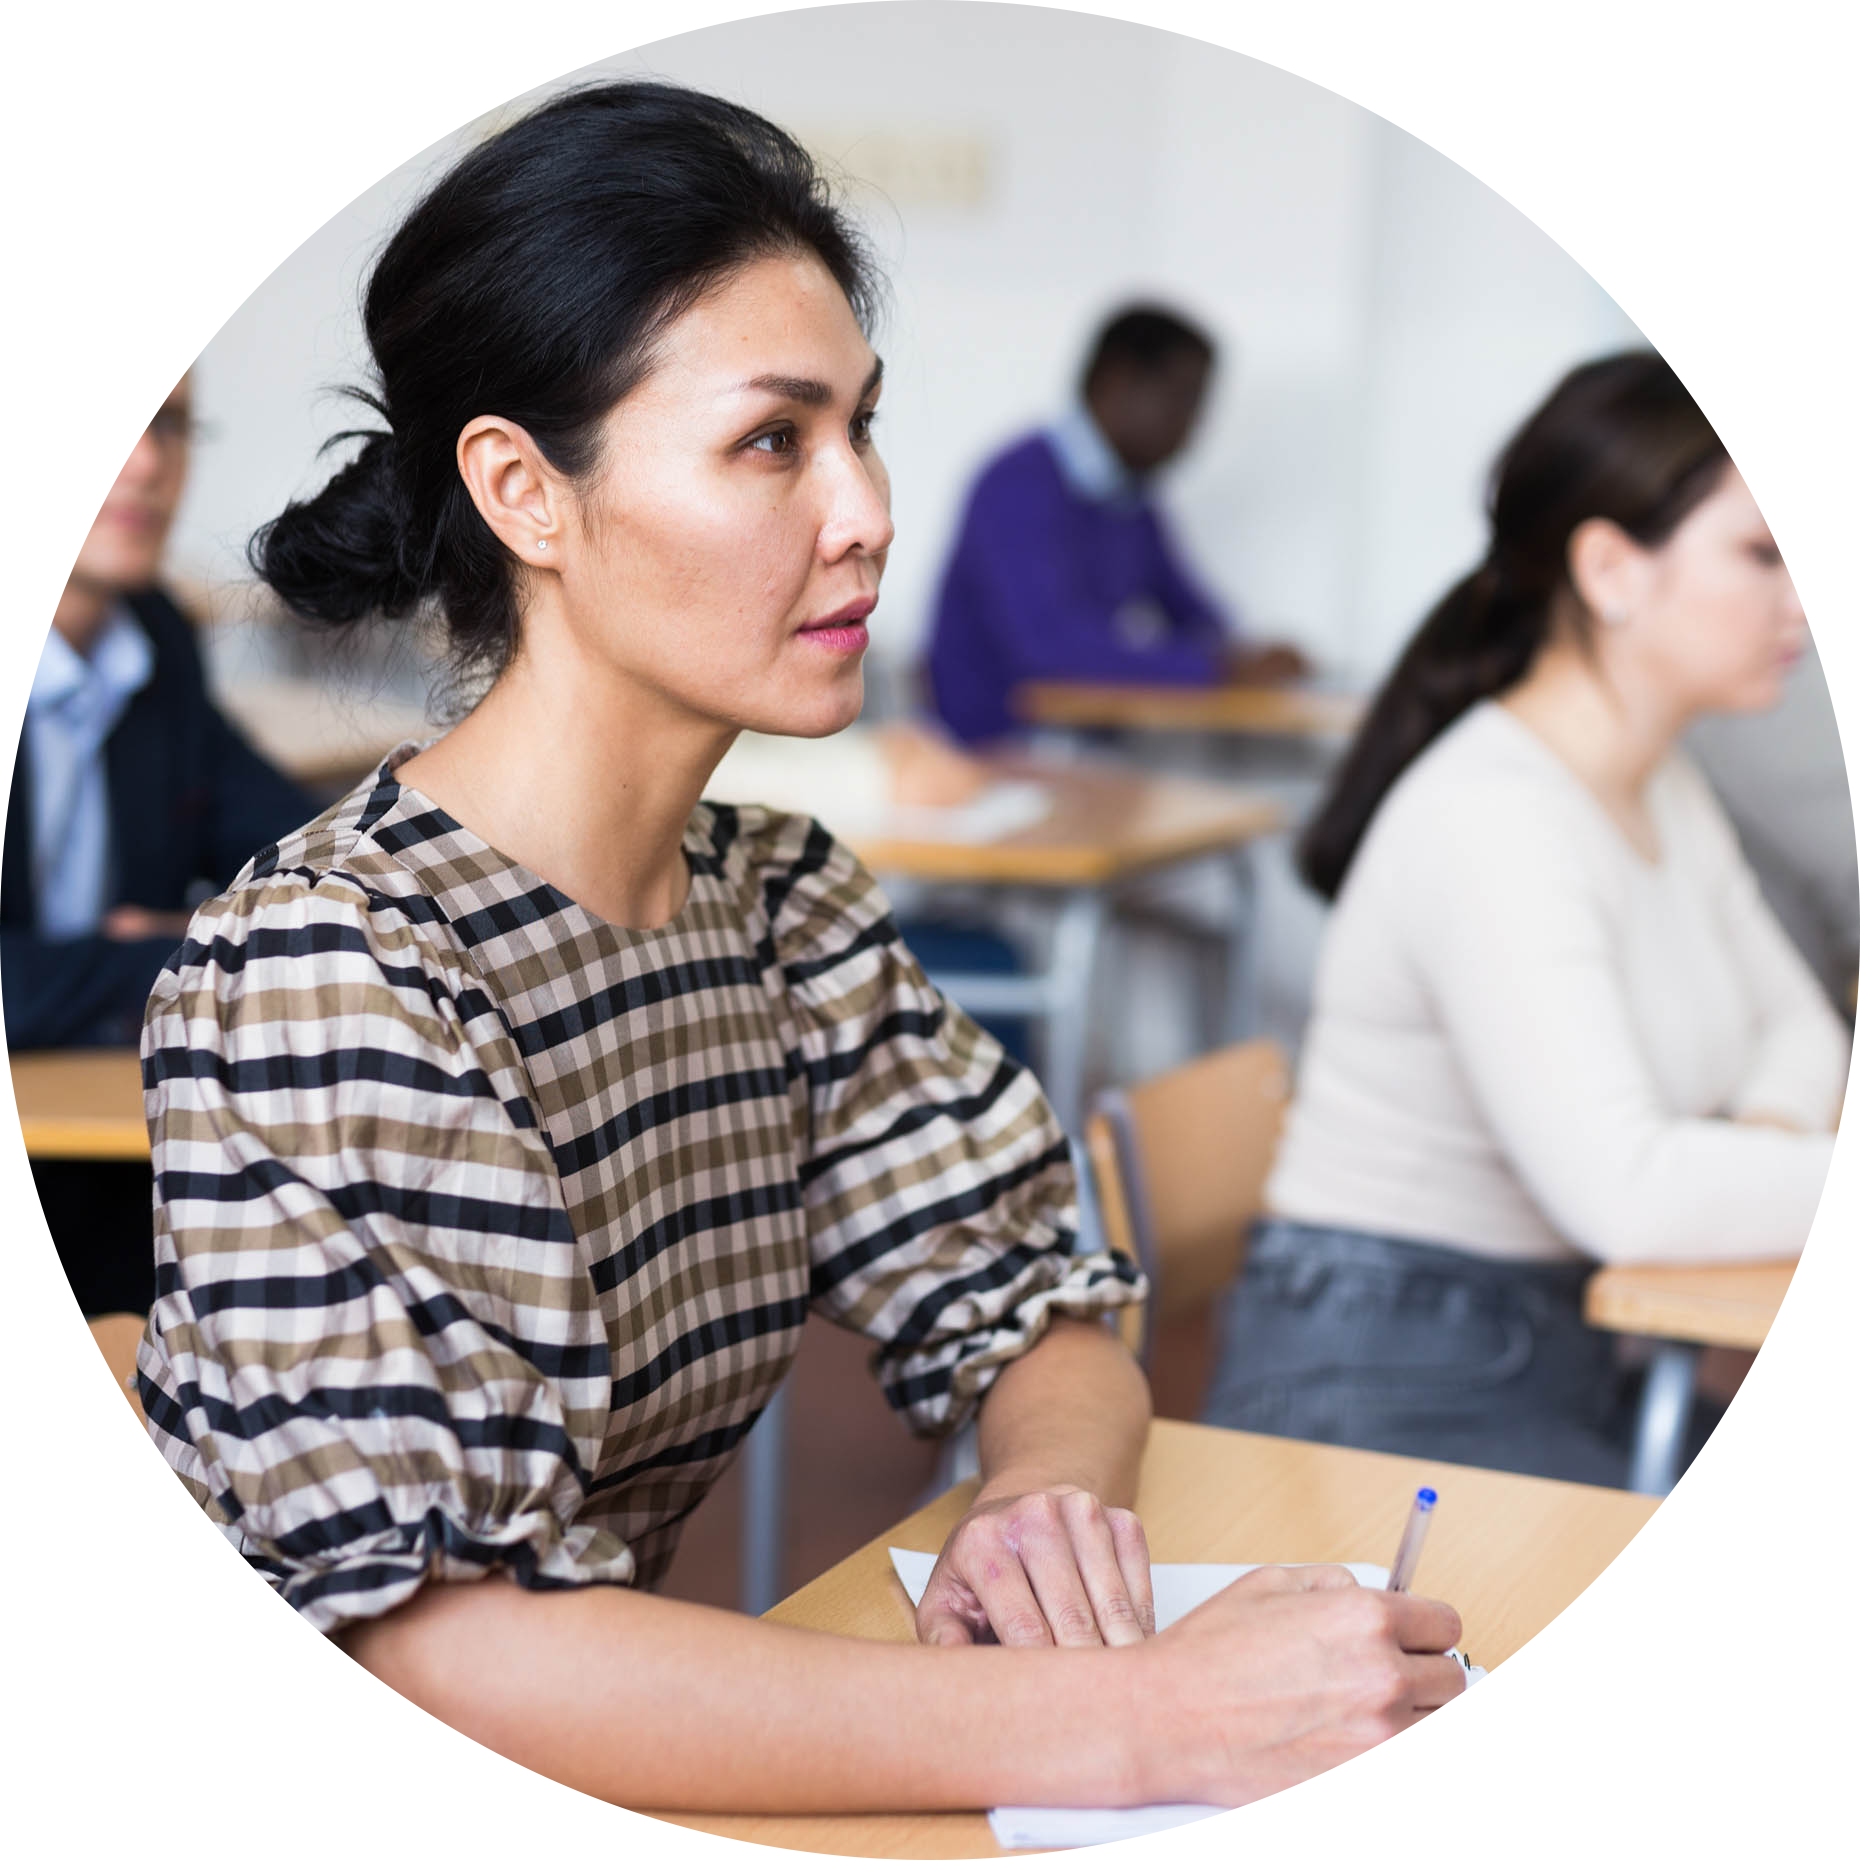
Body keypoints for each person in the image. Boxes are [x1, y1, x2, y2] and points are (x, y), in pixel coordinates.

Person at [134, 83, 1464, 1816]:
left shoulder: (777, 907)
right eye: (774, 441)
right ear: (525, 492)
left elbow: (1032, 1288)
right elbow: (447, 1656)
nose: (867, 510)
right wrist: (1150, 1719)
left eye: (863, 428)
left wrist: (1038, 1500)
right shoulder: (332, 972)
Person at [1202, 351, 1849, 1486]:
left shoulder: (1657, 780)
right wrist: (1704, 1191)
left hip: (1562, 1340)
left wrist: (1746, 1157)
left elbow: (1804, 1034)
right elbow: (1632, 1195)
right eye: (1761, 553)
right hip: (1383, 1375)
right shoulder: (1495, 814)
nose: (1804, 600)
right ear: (1610, 569)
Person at [4, 376, 312, 1314]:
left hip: (102, 1163)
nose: (145, 462)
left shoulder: (155, 639)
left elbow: (299, 848)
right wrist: (174, 952)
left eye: (168, 423)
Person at [925, 303, 1308, 744]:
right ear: (1117, 382)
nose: (1193, 427)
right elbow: (1053, 650)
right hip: (986, 754)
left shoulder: (1133, 500)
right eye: (1183, 401)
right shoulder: (1018, 484)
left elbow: (1196, 614)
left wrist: (1244, 657)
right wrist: (1217, 669)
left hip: (1075, 745)